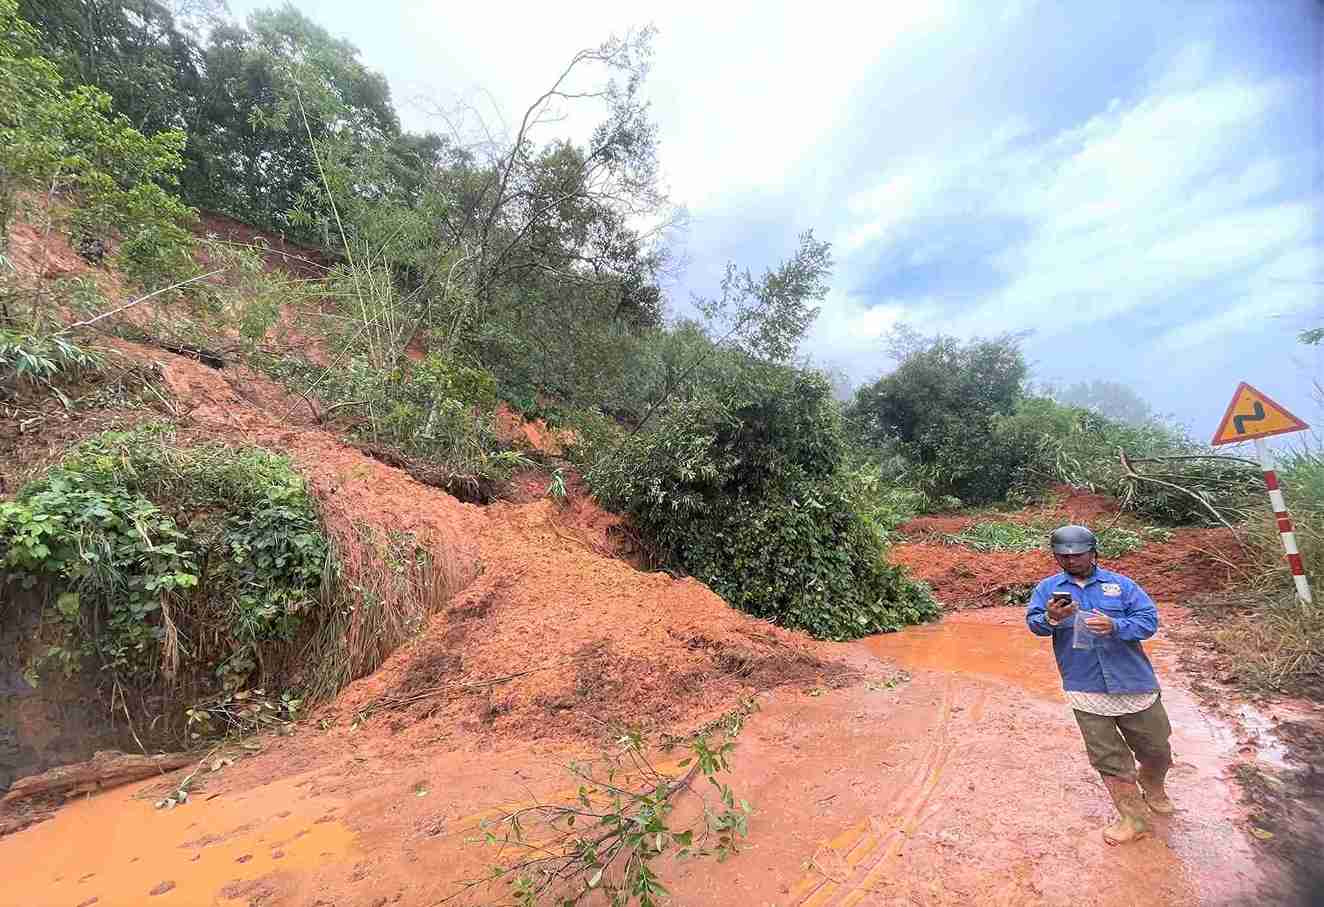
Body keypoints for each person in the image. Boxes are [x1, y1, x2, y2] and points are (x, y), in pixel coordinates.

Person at [1026, 524, 1174, 844]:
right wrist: (1051, 618)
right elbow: (1034, 625)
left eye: (1077, 555)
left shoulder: (1121, 586)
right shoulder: (1047, 589)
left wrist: (1116, 625)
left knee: (1157, 747)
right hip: (1084, 684)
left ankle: (1153, 782)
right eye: (1062, 556)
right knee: (1107, 756)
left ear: (1093, 552)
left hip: (1133, 681)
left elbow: (1148, 621)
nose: (1070, 561)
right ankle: (1133, 818)